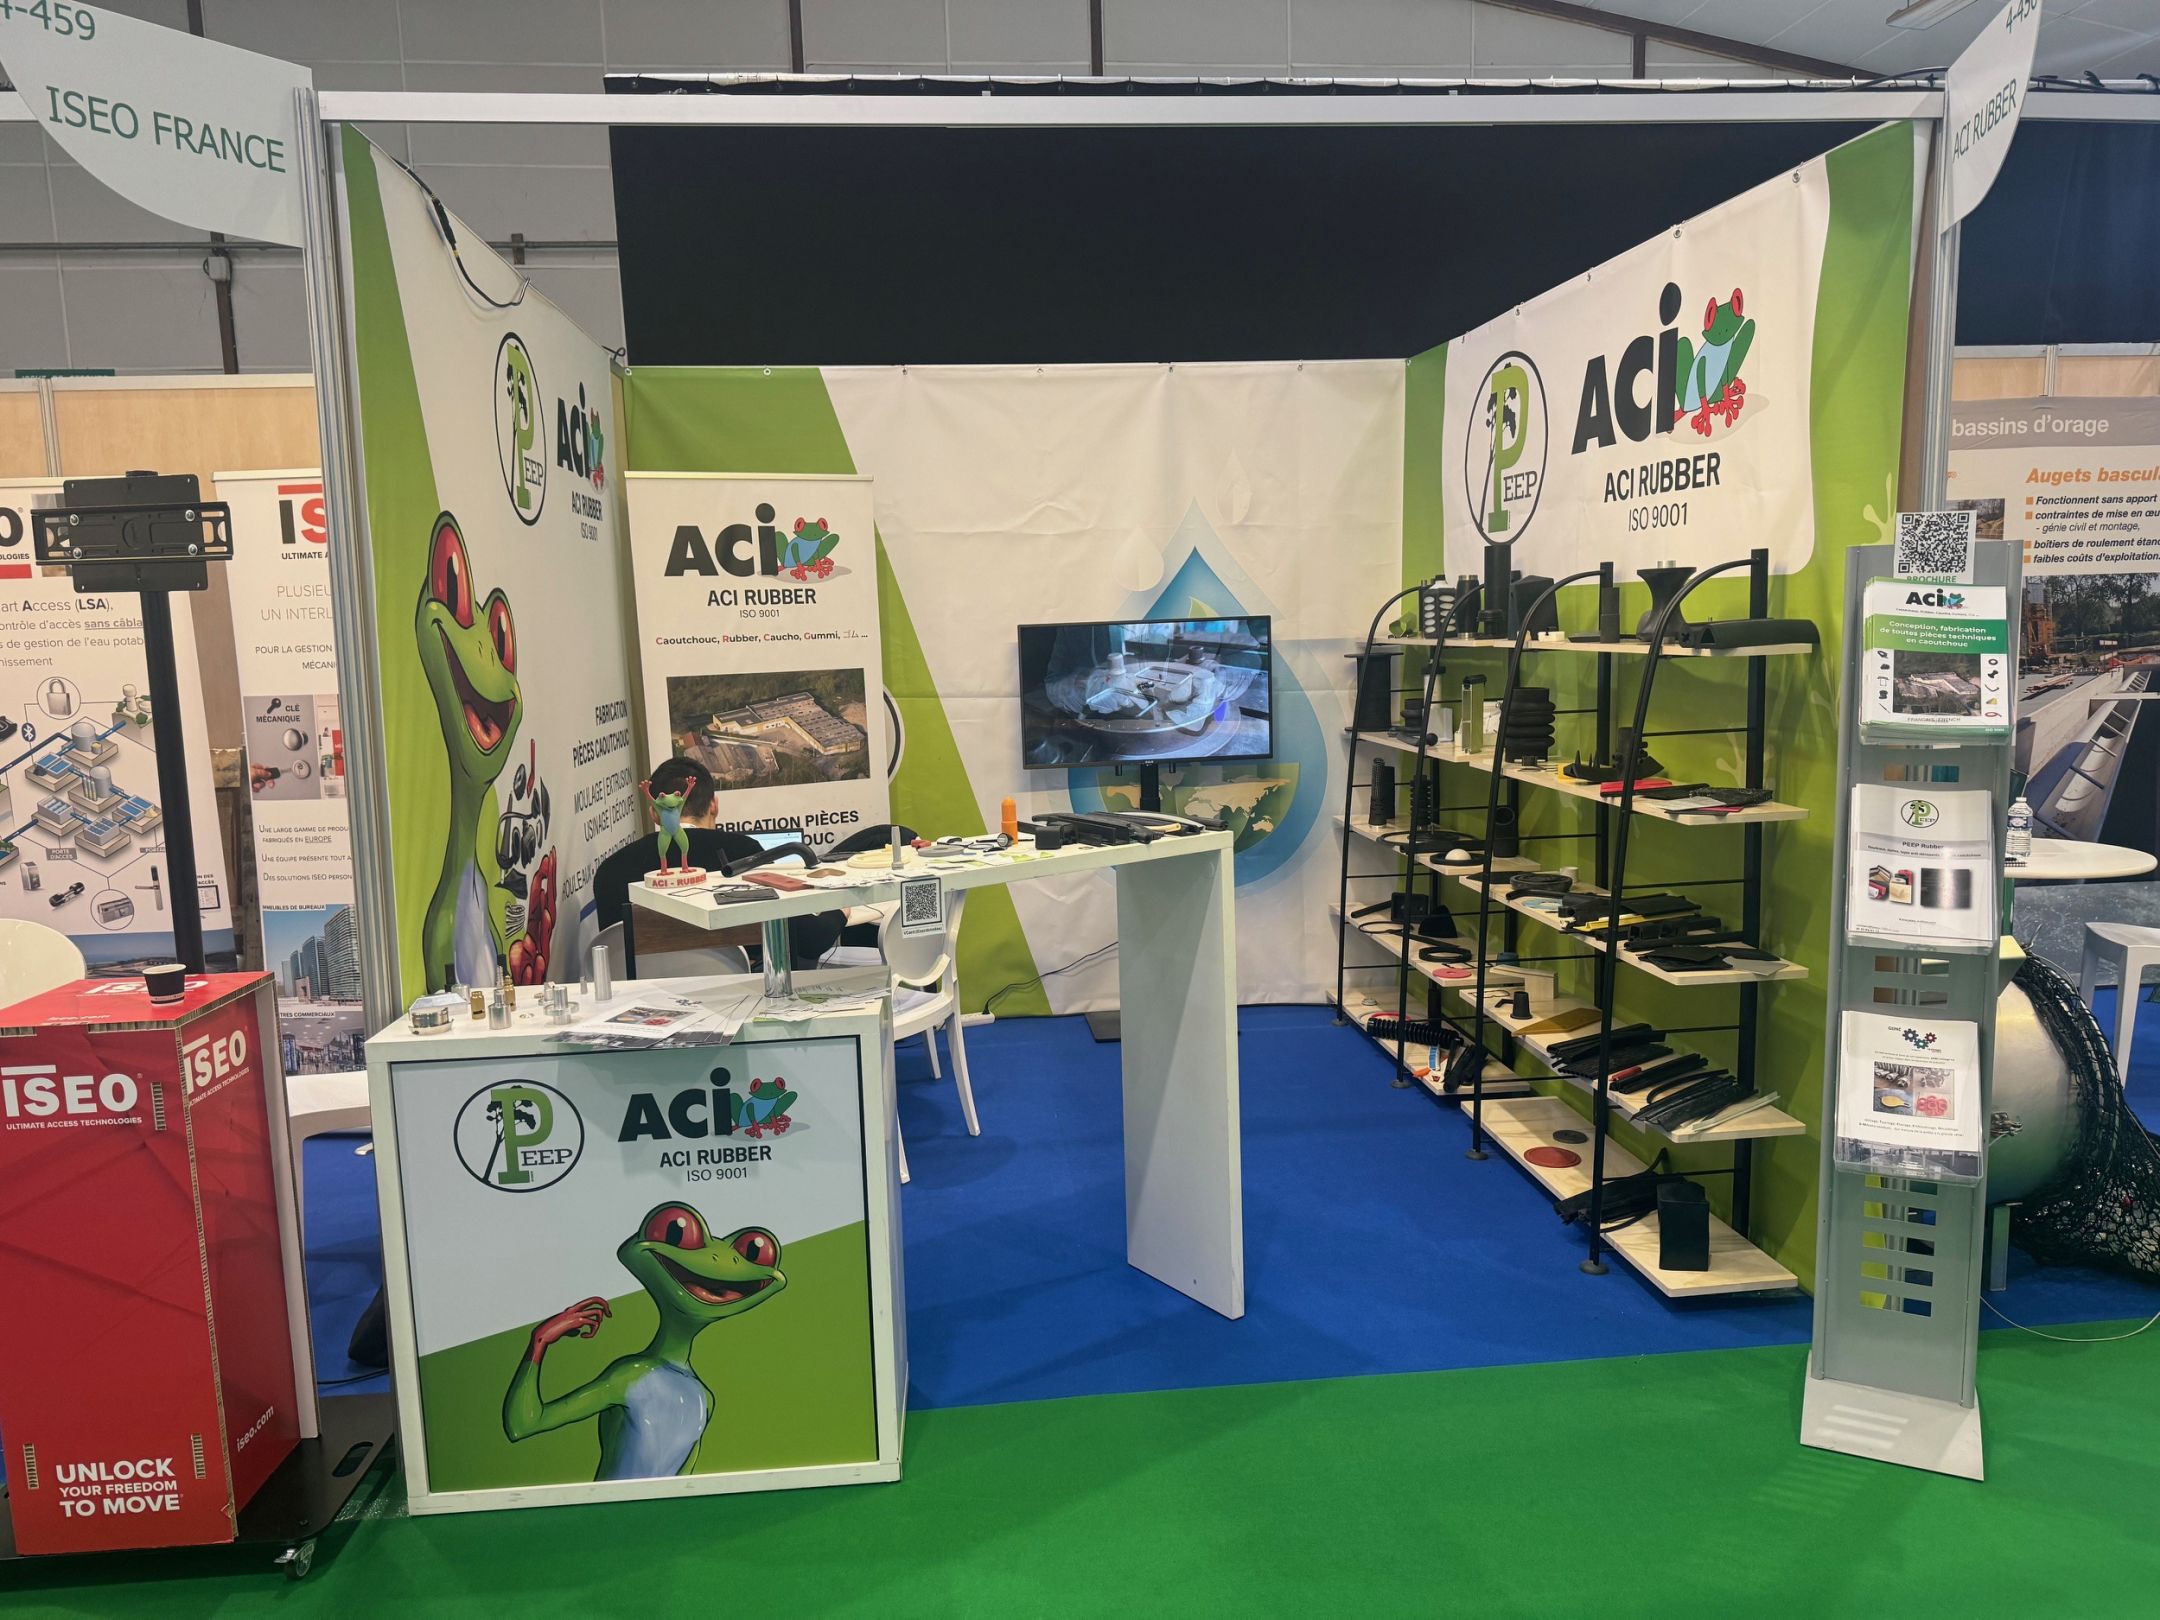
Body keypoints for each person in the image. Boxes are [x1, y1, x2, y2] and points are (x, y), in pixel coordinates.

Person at [591, 756, 843, 974]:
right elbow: (809, 939)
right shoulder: (745, 854)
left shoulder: (610, 871)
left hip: (639, 1002)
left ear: (654, 813)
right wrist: (840, 910)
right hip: (737, 996)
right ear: (714, 805)